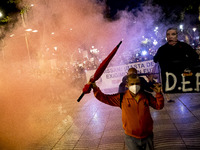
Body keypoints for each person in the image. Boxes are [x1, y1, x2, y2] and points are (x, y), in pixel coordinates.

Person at [90, 74, 164, 150]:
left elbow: (159, 106)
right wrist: (95, 88)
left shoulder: (146, 96)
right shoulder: (121, 98)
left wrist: (159, 94)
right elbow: (104, 98)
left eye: (137, 83)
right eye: (132, 84)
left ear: (140, 84)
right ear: (127, 85)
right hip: (131, 138)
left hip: (147, 135)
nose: (135, 86)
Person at [153, 27, 200, 102]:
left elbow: (195, 57)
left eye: (173, 34)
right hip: (170, 81)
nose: (170, 36)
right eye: (168, 34)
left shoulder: (184, 46)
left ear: (177, 36)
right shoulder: (162, 49)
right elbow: (155, 59)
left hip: (184, 80)